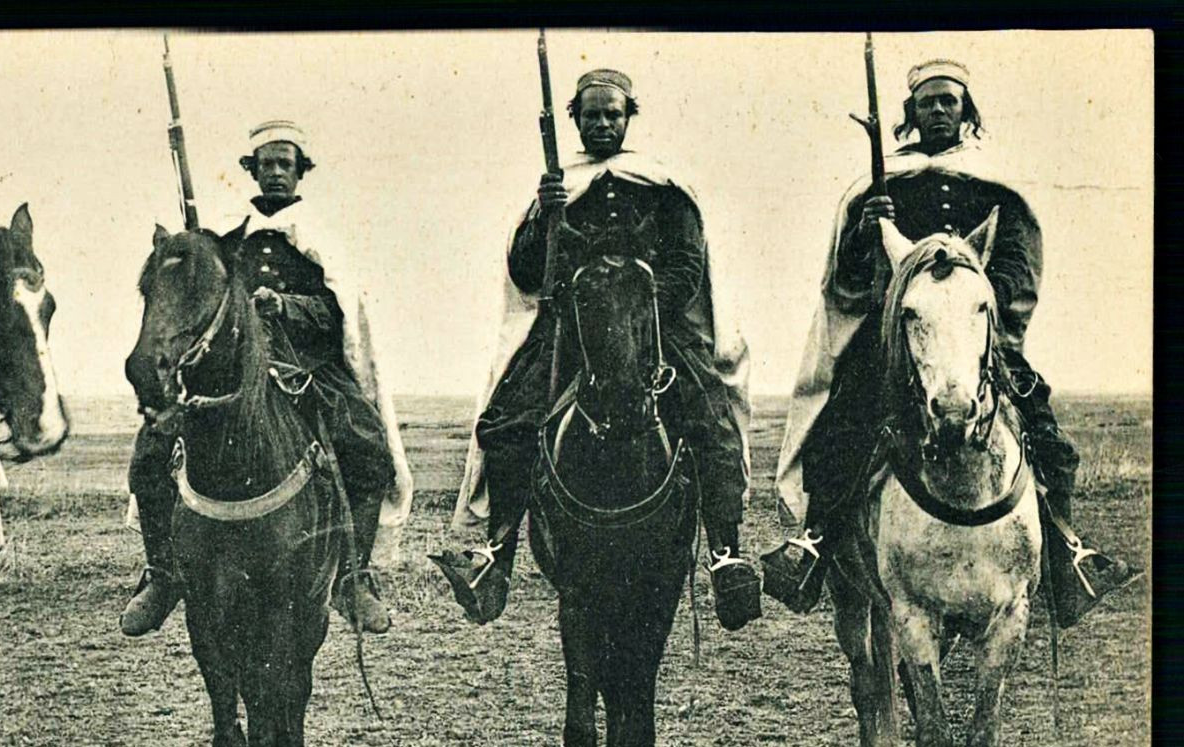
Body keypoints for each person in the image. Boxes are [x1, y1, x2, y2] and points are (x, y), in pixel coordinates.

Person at [764, 60, 1140, 627]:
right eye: (927, 103)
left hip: (971, 332)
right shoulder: (883, 185)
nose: (938, 111)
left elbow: (1017, 260)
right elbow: (847, 279)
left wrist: (979, 293)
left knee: (1046, 433)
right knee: (842, 423)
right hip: (899, 338)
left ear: (967, 112)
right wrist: (869, 232)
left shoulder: (995, 185)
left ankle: (1067, 556)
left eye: (949, 102)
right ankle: (816, 545)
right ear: (910, 114)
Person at [436, 69, 761, 631]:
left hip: (650, 325)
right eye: (592, 115)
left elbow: (688, 263)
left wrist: (637, 299)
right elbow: (527, 271)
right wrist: (544, 214)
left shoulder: (663, 187)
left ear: (629, 116)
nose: (603, 123)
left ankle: (725, 552)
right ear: (576, 120)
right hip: (573, 328)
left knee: (709, 412)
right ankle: (498, 550)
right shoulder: (560, 188)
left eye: (613, 113)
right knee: (510, 415)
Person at [121, 120, 411, 637]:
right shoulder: (226, 235)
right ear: (251, 171)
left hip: (305, 367)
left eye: (286, 164)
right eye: (267, 164)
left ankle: (353, 577)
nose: (276, 173)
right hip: (233, 370)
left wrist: (285, 306)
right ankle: (164, 575)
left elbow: (338, 313)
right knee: (150, 452)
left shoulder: (321, 238)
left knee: (367, 446)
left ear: (301, 172)